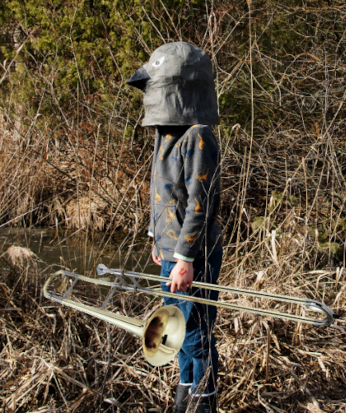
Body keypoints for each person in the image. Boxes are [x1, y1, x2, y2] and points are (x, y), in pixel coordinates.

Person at [127, 42, 223, 413]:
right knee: (174, 331)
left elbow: (200, 204)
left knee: (196, 335)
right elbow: (163, 193)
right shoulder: (164, 133)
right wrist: (155, 236)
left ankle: (204, 403)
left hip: (193, 256)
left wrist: (184, 258)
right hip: (170, 252)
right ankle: (184, 399)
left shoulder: (198, 135)